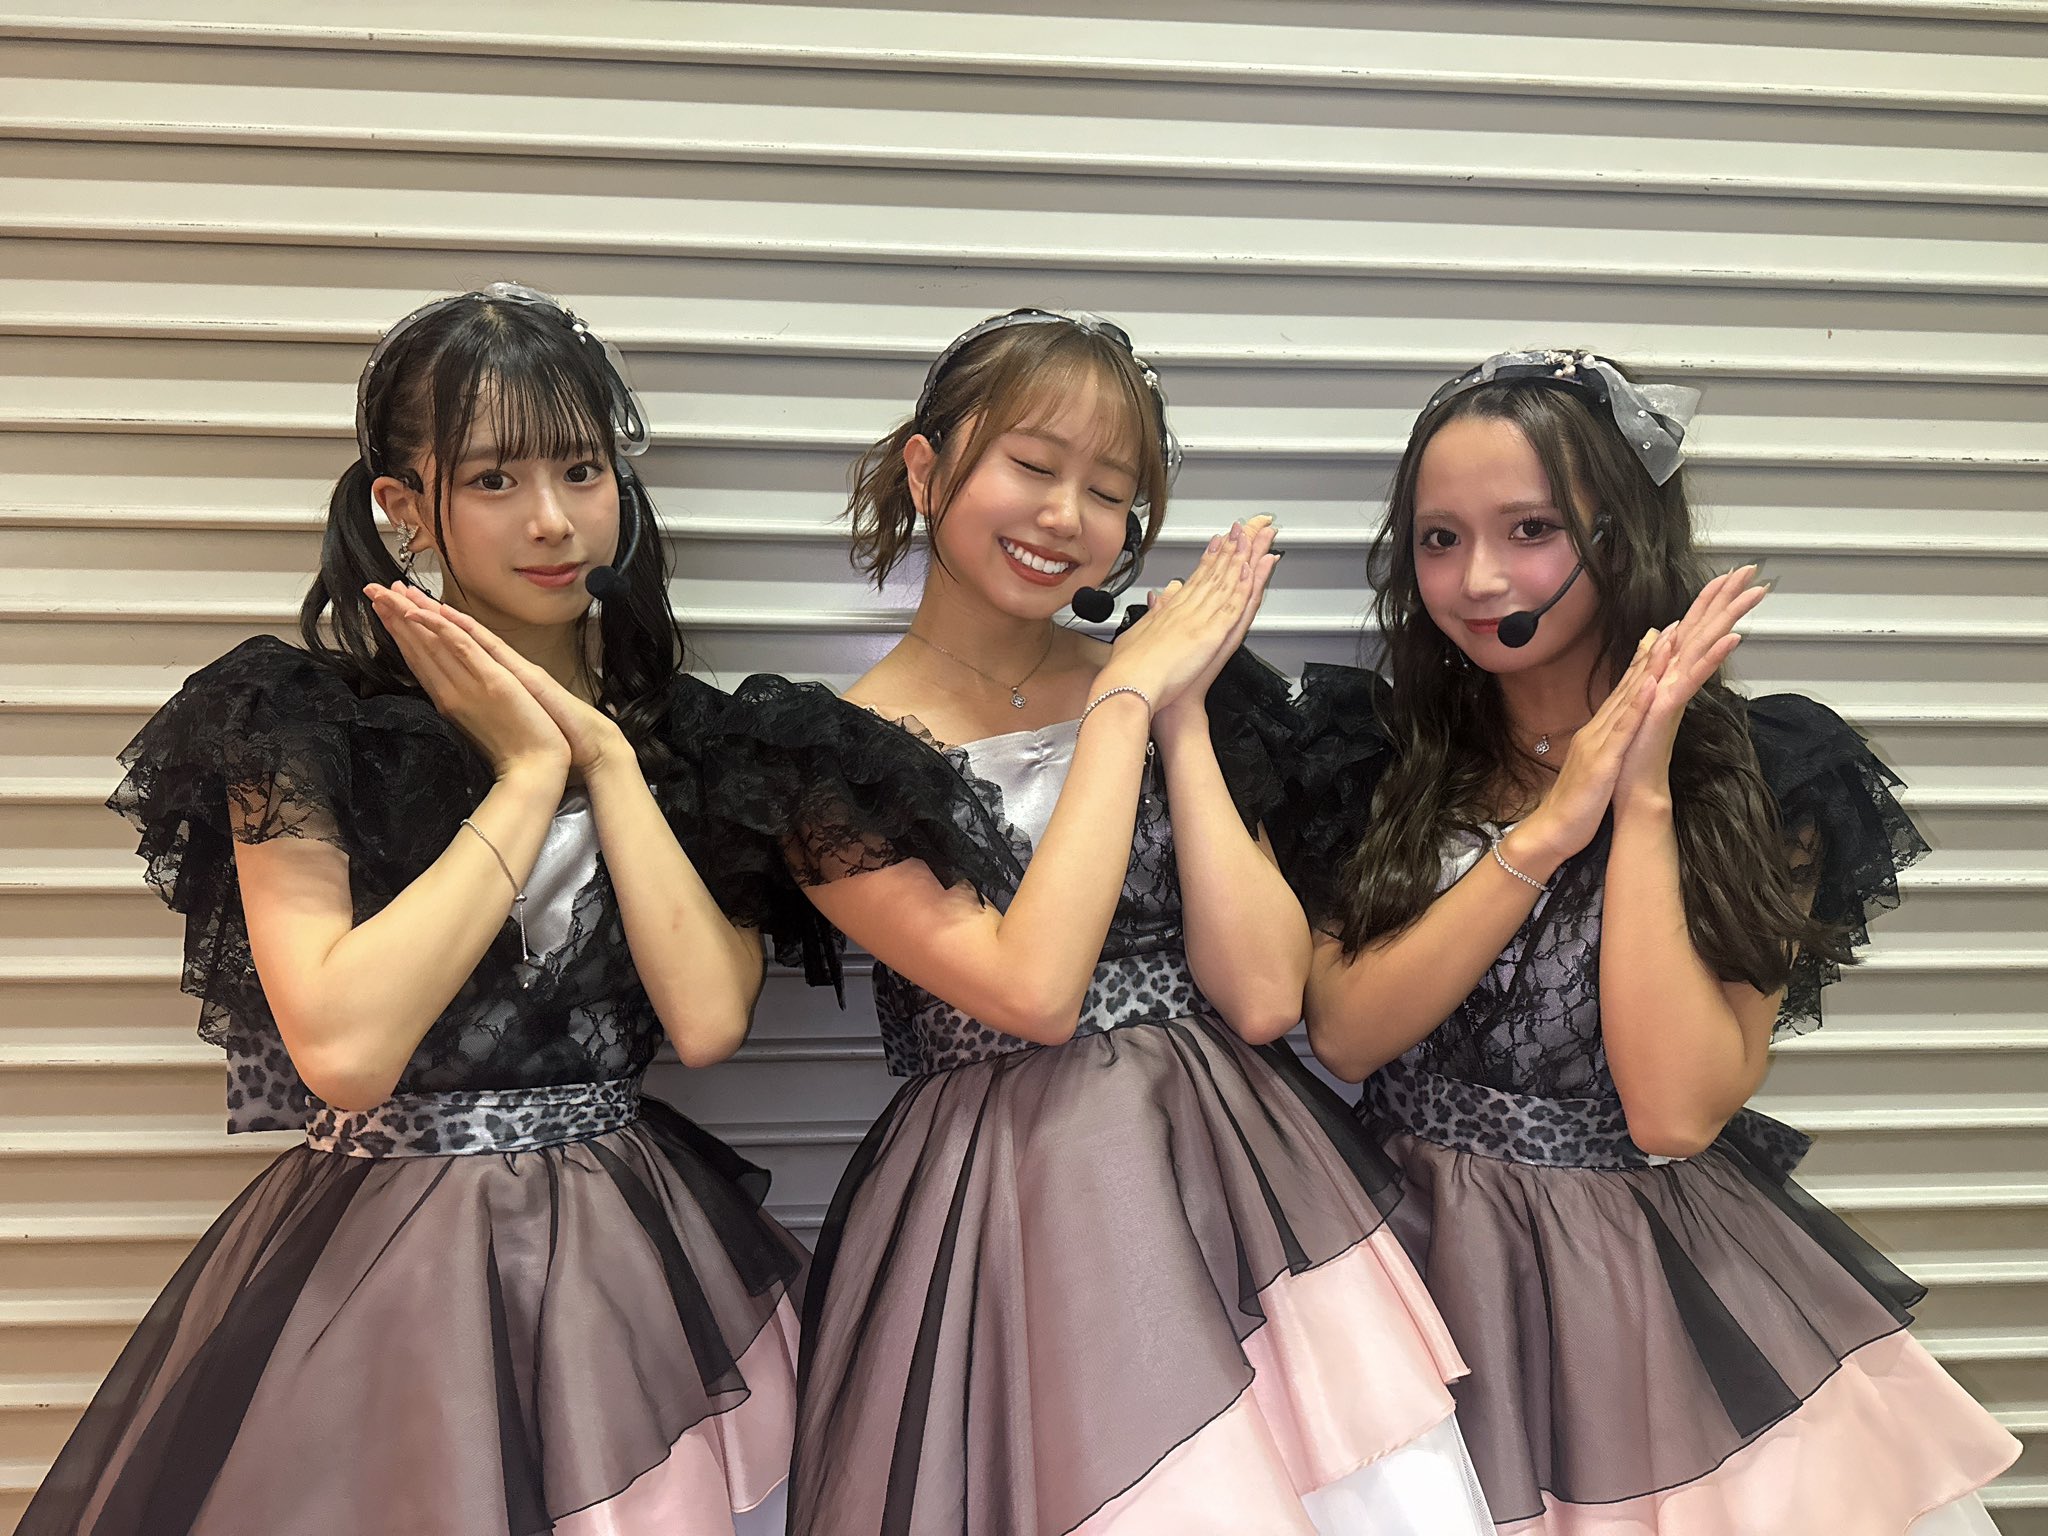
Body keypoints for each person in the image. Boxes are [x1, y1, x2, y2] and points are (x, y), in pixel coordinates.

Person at [19, 284, 804, 1536]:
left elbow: (707, 1021)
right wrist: (527, 775)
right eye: (494, 479)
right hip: (384, 1260)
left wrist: (603, 757)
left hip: (625, 1259)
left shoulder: (691, 740)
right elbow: (343, 1049)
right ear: (403, 506)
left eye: (582, 470)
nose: (552, 520)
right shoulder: (299, 721)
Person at [713, 309, 1495, 1534]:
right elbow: (1030, 992)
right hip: (1007, 1208)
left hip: (1228, 1179)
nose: (1064, 516)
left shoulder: (1176, 685)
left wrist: (1178, 714)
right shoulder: (826, 755)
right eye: (1031, 465)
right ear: (924, 470)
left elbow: (1262, 996)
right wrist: (1124, 697)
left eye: (1108, 491)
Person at [1277, 348, 2019, 1532]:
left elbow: (1674, 1112)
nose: (1475, 578)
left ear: (1617, 538)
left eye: (1529, 529)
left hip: (1633, 1276)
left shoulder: (1763, 777)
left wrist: (1640, 798)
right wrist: (1547, 827)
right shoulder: (1378, 758)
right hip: (1404, 1267)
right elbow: (1348, 1035)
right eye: (1436, 539)